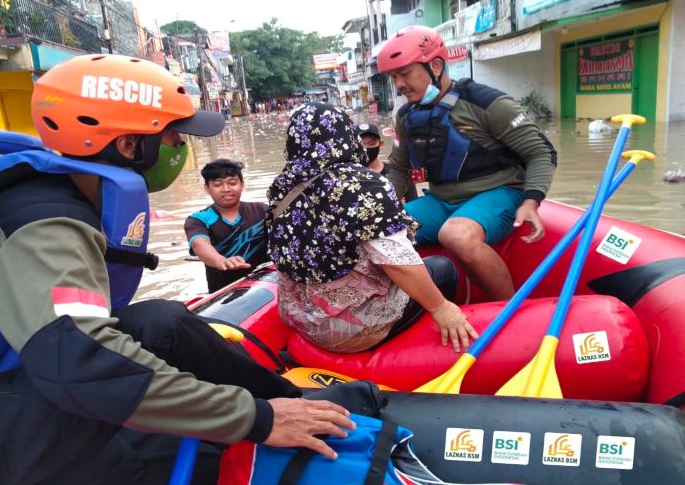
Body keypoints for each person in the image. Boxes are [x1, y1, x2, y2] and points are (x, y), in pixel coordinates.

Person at [0, 55, 354, 485]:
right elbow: (82, 364)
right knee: (156, 449)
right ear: (131, 144)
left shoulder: (71, 193)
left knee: (160, 322)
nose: (181, 149)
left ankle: (298, 403)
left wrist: (270, 406)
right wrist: (255, 419)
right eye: (174, 137)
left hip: (8, 388)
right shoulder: (38, 220)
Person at [268, 103, 477, 355]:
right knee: (442, 269)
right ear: (347, 136)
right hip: (347, 331)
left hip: (300, 318)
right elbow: (397, 260)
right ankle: (427, 346)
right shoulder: (363, 185)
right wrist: (440, 308)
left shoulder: (283, 186)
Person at [378, 26, 558, 301]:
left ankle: (509, 311)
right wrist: (381, 208)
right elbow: (400, 168)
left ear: (435, 65)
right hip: (441, 201)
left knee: (456, 235)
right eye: (393, 77)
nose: (399, 84)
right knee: (377, 229)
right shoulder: (405, 117)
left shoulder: (486, 103)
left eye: (405, 74)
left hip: (499, 192)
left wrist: (531, 201)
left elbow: (541, 152)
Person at [185, 159, 268, 293]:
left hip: (265, 287)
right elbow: (199, 244)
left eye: (232, 183)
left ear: (242, 184)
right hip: (224, 294)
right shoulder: (198, 220)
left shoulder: (261, 210)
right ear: (207, 188)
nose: (226, 189)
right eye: (218, 184)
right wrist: (220, 260)